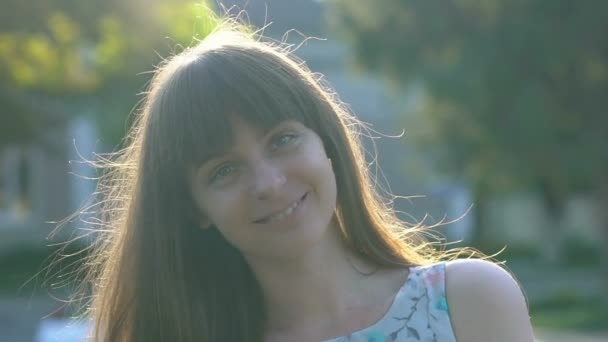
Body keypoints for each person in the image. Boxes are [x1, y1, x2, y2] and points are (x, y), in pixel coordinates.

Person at [82, 17, 535, 342]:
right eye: (223, 171)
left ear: (327, 143)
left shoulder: (470, 304)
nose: (268, 182)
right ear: (193, 207)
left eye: (282, 140)